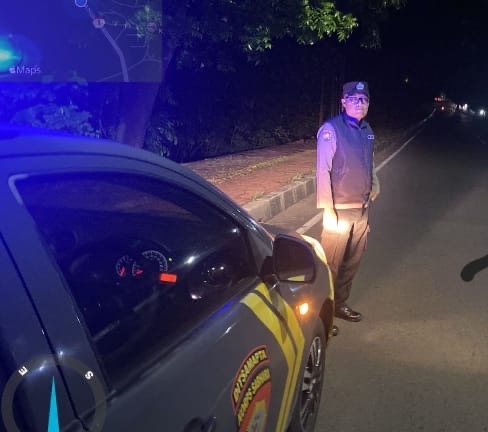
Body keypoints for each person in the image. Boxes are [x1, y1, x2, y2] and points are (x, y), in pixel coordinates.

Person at [316, 81, 380, 322]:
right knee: (331, 264)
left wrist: (374, 184)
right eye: (354, 99)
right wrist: (327, 208)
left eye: (364, 99)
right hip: (339, 209)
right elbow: (322, 170)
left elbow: (369, 162)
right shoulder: (331, 129)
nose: (360, 103)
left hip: (361, 208)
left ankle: (339, 305)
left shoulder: (367, 130)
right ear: (343, 102)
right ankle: (321, 315)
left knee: (352, 262)